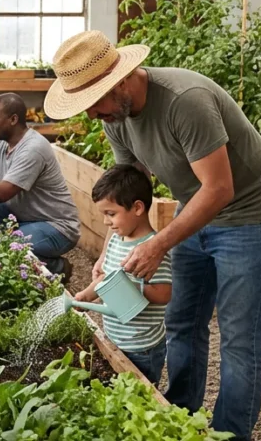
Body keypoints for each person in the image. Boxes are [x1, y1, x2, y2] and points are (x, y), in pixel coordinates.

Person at [45, 30, 261, 440]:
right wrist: (111, 247)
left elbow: (220, 189)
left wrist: (159, 243)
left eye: (94, 102)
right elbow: (130, 189)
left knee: (240, 340)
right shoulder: (116, 117)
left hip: (249, 216)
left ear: (120, 81)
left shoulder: (183, 100)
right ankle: (181, 420)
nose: (91, 115)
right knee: (182, 322)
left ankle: (230, 434)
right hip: (194, 207)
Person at [0, 93, 80, 278]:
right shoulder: (1, 144)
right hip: (22, 216)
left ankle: (57, 267)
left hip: (56, 226)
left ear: (13, 119)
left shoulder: (32, 148)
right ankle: (31, 256)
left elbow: (2, 193)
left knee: (9, 247)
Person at [74, 164, 172, 386]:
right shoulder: (118, 240)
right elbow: (106, 278)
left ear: (137, 208)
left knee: (142, 395)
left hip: (142, 346)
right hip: (115, 338)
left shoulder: (151, 250)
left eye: (111, 214)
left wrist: (135, 285)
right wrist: (85, 296)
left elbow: (165, 293)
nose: (107, 222)